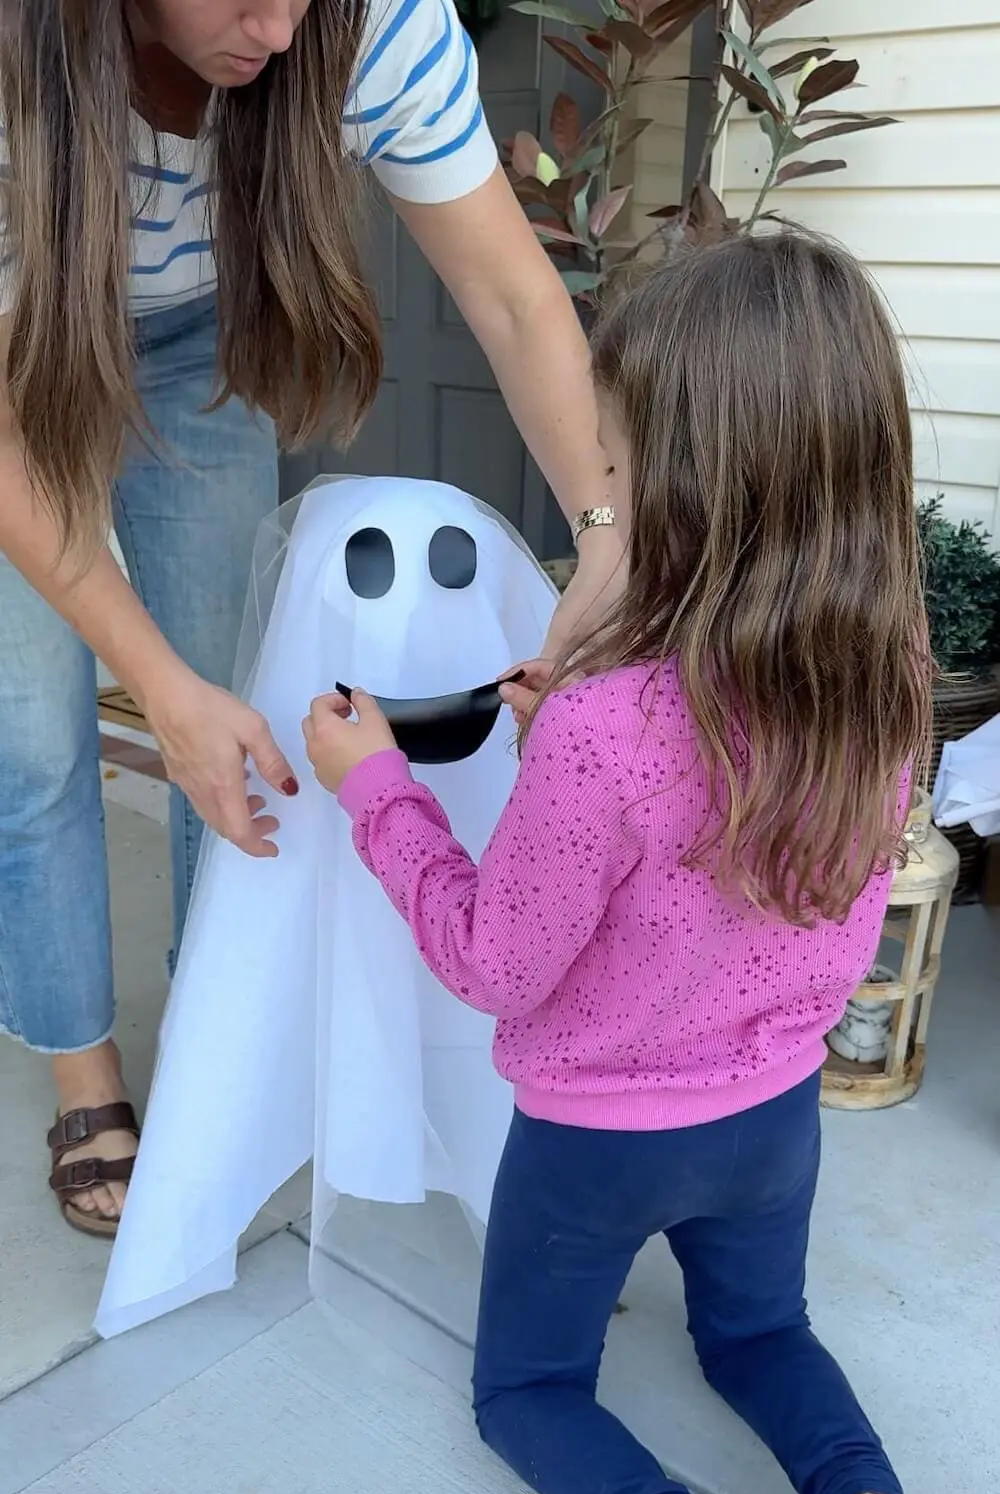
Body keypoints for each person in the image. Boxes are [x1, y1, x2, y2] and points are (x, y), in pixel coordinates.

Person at [301, 228, 931, 1494]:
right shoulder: (888, 676)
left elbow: (494, 962)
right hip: (772, 1117)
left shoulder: (604, 730)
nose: (606, 476)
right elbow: (736, 826)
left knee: (527, 1392)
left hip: (597, 1143)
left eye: (618, 453)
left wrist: (377, 786)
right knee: (762, 1335)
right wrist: (564, 734)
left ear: (691, 481)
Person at [0, 0, 621, 1236]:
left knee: (248, 710)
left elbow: (510, 296)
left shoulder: (378, 23)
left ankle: (216, 1028)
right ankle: (86, 1076)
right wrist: (154, 686)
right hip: (13, 349)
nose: (282, 34)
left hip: (195, 337)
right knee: (35, 741)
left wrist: (609, 539)